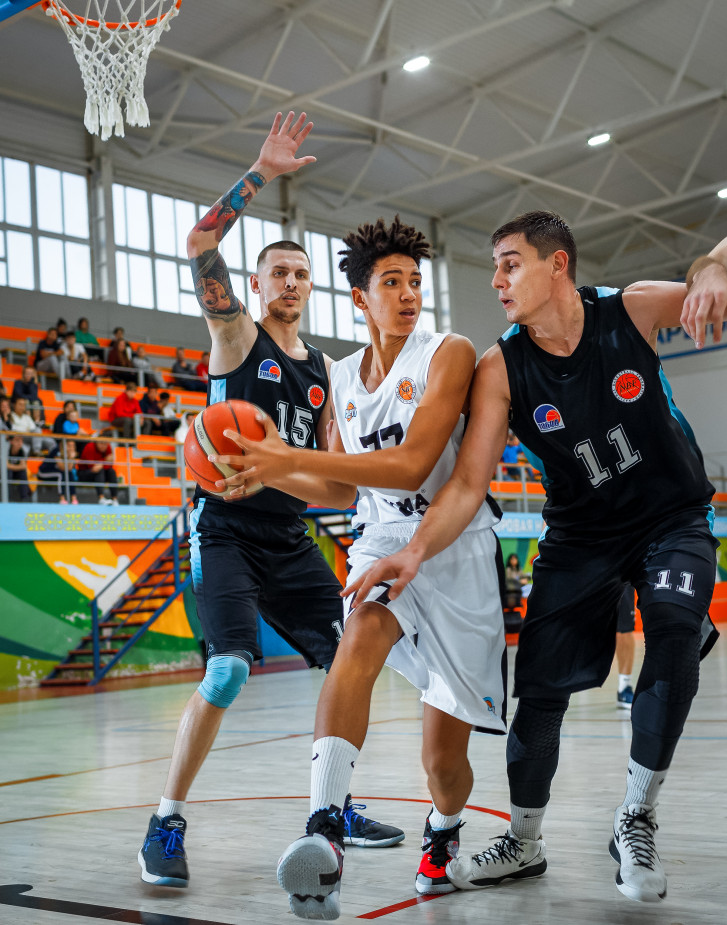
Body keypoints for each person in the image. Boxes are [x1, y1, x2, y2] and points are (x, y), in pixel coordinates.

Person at [342, 210, 727, 905]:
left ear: (558, 265)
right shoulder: (501, 368)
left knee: (674, 634)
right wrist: (413, 550)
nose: (497, 280)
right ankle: (523, 842)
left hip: (671, 518)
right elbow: (469, 482)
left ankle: (635, 817)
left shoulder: (630, 310)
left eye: (511, 264)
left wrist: (712, 268)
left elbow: (721, 266)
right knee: (539, 692)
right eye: (494, 267)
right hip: (580, 537)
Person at [211, 209, 507, 919]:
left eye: (415, 282)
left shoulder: (448, 352)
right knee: (359, 636)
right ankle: (323, 826)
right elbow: (343, 490)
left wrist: (286, 456)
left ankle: (443, 832)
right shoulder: (341, 375)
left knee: (443, 761)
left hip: (451, 545)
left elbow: (410, 466)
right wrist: (266, 474)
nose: (408, 294)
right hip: (379, 540)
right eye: (392, 282)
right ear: (360, 298)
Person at [136, 111, 403, 894]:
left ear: (312, 288)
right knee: (226, 670)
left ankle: (334, 806)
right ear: (255, 286)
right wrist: (260, 173)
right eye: (277, 272)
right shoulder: (235, 338)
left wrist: (273, 470)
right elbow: (198, 241)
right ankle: (165, 821)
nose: (290, 282)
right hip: (223, 531)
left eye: (300, 274)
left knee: (349, 661)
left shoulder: (325, 373)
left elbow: (341, 487)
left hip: (287, 536)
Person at [78, 435, 119, 505]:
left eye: (105, 444)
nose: (103, 446)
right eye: (101, 443)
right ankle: (101, 498)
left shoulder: (108, 447)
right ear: (96, 442)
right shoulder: (90, 447)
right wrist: (105, 461)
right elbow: (93, 467)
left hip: (99, 473)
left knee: (111, 472)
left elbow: (109, 465)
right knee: (100, 471)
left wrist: (101, 464)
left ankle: (114, 499)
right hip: (84, 473)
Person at [38, 439, 80, 504]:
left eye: (73, 446)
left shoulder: (71, 453)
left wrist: (71, 458)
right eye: (69, 445)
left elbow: (69, 469)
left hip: (57, 472)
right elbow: (62, 468)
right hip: (43, 472)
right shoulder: (57, 450)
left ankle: (74, 498)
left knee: (70, 473)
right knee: (61, 474)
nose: (71, 448)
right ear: (63, 445)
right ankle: (62, 498)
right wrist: (71, 458)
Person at [616, 584, 636, 710]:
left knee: (624, 629)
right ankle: (559, 688)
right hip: (584, 573)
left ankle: (623, 687)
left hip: (621, 576)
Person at [6, 433, 31, 501]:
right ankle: (7, 498)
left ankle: (25, 498)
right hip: (5, 474)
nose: (20, 443)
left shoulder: (22, 451)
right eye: (17, 440)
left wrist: (12, 467)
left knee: (23, 473)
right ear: (11, 441)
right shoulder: (7, 449)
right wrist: (17, 467)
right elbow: (5, 466)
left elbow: (24, 466)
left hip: (15, 473)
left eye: (21, 440)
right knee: (8, 472)